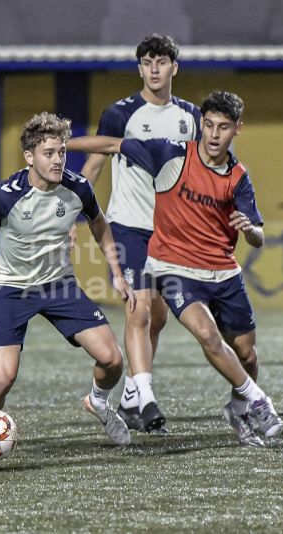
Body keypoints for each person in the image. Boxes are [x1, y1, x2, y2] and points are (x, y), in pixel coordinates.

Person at [0, 112, 137, 461]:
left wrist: (117, 274)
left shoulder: (77, 187)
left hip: (59, 285)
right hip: (11, 289)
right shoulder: (5, 194)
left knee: (112, 360)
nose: (58, 159)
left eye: (62, 151)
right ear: (30, 156)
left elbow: (99, 225)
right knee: (3, 379)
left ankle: (98, 401)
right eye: (49, 153)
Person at [69, 91, 283, 447]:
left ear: (237, 130)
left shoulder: (238, 177)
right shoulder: (170, 152)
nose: (214, 134)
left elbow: (259, 236)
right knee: (206, 334)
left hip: (223, 272)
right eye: (209, 125)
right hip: (176, 269)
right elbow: (111, 144)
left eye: (224, 127)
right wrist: (64, 142)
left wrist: (251, 231)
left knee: (246, 353)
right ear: (201, 124)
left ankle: (239, 406)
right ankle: (259, 401)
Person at [78, 34, 201, 434]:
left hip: (172, 231)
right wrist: (65, 215)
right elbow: (93, 168)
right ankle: (147, 399)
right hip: (128, 227)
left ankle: (132, 392)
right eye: (147, 61)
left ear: (174, 68)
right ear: (139, 68)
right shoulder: (120, 113)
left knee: (159, 316)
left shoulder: (191, 117)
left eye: (161, 61)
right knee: (140, 309)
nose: (154, 67)